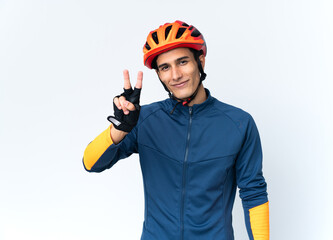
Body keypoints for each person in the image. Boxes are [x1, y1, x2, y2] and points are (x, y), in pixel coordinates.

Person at [83, 20, 269, 240]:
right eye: (165, 67)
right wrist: (119, 130)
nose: (175, 75)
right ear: (159, 75)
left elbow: (254, 193)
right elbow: (90, 164)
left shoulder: (239, 123)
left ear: (200, 62)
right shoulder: (143, 120)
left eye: (182, 62)